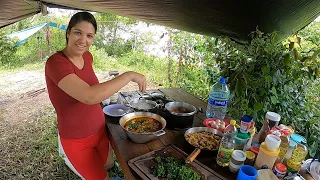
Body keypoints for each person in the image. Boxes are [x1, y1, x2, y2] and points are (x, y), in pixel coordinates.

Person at [45, 12, 146, 180]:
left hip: (99, 130)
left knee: (108, 165)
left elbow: (93, 87)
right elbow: (89, 96)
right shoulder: (56, 63)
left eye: (89, 36)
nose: (83, 40)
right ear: (68, 32)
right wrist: (128, 76)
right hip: (76, 139)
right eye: (78, 32)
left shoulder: (87, 56)